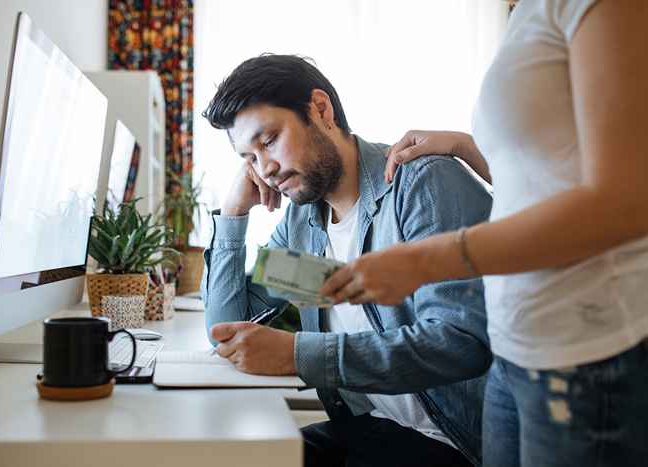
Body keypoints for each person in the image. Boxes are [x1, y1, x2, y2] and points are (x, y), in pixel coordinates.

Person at [321, 1, 648, 466]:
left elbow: (623, 203)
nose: (263, 165)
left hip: (587, 355)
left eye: (267, 141)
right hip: (514, 347)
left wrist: (423, 261)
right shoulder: (523, 15)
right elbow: (548, 179)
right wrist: (466, 145)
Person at [200, 54, 492, 467]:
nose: (264, 169)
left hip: (456, 443)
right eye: (248, 158)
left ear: (321, 110)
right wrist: (232, 217)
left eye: (268, 141)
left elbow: (460, 344)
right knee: (235, 458)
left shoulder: (420, 185)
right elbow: (228, 332)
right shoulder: (305, 223)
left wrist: (298, 354)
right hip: (376, 430)